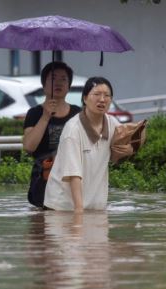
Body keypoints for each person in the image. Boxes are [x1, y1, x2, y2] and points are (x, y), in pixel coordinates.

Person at [43, 77, 121, 213]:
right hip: (63, 208)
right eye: (96, 94)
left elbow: (127, 141)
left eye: (107, 95)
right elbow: (74, 175)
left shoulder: (112, 123)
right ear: (85, 98)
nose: (102, 99)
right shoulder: (73, 130)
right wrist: (78, 213)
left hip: (94, 207)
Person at [23, 62, 81, 208]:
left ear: (69, 86)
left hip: (71, 179)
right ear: (44, 84)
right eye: (53, 78)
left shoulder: (78, 114)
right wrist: (45, 116)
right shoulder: (35, 113)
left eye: (64, 79)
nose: (59, 83)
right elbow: (29, 146)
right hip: (44, 180)